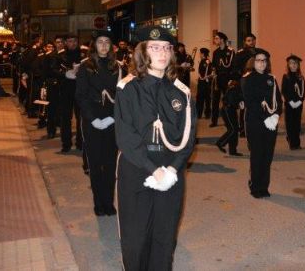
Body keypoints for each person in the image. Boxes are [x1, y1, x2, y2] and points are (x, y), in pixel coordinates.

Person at [114, 26, 196, 270]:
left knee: (164, 240)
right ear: (143, 52)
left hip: (171, 174)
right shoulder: (128, 89)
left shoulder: (181, 92)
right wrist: (153, 170)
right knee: (136, 240)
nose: (162, 52)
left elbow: (189, 137)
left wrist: (172, 170)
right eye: (155, 47)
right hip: (137, 171)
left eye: (166, 48)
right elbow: (126, 136)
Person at [75, 30, 121, 216]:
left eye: (107, 42)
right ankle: (98, 203)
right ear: (94, 45)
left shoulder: (117, 67)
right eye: (100, 42)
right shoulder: (85, 67)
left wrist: (112, 117)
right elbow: (81, 95)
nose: (103, 45)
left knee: (110, 164)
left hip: (111, 119)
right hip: (92, 120)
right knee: (95, 164)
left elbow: (121, 95)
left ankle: (108, 202)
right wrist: (93, 119)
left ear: (111, 46)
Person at [241, 48, 282, 198]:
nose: (261, 63)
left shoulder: (271, 79)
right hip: (255, 122)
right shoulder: (247, 79)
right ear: (253, 62)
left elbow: (278, 99)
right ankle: (255, 186)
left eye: (264, 60)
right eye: (258, 60)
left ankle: (264, 186)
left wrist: (276, 115)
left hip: (271, 123)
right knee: (257, 154)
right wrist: (266, 117)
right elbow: (251, 102)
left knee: (267, 155)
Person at [57, 34, 86, 153]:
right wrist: (65, 74)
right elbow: (54, 71)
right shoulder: (61, 56)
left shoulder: (84, 55)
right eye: (70, 41)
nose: (72, 43)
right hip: (66, 90)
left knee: (81, 118)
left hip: (80, 90)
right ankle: (66, 143)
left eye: (74, 41)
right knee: (65, 118)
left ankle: (80, 142)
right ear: (65, 43)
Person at [233, 33, 257, 137]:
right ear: (245, 42)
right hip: (245, 83)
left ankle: (253, 127)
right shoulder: (240, 53)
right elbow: (235, 69)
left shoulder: (257, 52)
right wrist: (242, 78)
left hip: (256, 82)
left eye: (252, 40)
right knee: (244, 107)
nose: (251, 42)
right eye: (248, 40)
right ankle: (242, 129)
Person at [282, 54, 305, 150]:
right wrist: (290, 101)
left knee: (297, 123)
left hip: (299, 104)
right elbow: (284, 90)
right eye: (291, 63)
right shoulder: (286, 77)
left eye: (295, 63)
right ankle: (291, 142)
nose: (293, 65)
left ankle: (297, 143)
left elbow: (304, 90)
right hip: (289, 104)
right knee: (290, 123)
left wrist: (301, 101)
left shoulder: (301, 77)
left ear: (298, 65)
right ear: (288, 65)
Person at [210, 32, 235, 127]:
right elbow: (214, 65)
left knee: (227, 101)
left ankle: (228, 119)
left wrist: (231, 79)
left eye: (216, 38)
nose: (215, 40)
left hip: (227, 78)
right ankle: (214, 121)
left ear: (222, 40)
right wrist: (213, 72)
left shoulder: (230, 51)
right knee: (215, 101)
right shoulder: (215, 52)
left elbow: (232, 66)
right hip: (218, 79)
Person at [216, 75, 244, 156]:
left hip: (231, 109)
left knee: (235, 130)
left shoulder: (237, 86)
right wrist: (239, 104)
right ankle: (220, 143)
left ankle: (233, 150)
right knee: (233, 130)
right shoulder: (235, 87)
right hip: (228, 110)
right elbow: (231, 100)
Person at [196, 48, 212, 119]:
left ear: (202, 54)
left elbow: (208, 73)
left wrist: (203, 78)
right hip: (204, 82)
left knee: (203, 98)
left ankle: (202, 114)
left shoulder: (205, 62)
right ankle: (204, 114)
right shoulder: (205, 61)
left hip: (204, 82)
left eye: (200, 53)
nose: (200, 54)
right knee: (204, 98)